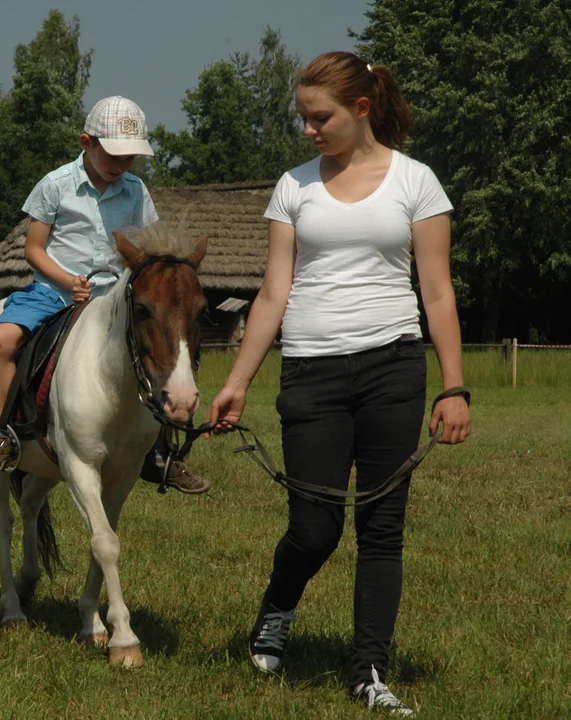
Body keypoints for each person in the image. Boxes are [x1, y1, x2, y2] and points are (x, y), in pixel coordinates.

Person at [206, 52, 472, 715]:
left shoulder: (415, 182)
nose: (308, 131)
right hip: (311, 371)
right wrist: (238, 381)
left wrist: (453, 386)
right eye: (301, 118)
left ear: (360, 109)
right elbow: (273, 291)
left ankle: (368, 672)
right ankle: (277, 608)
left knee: (381, 528)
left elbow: (436, 293)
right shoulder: (292, 187)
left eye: (318, 117)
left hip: (392, 367)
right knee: (314, 528)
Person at [0, 95, 208, 494]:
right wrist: (67, 281)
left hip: (116, 300)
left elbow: (148, 251)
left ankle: (161, 451)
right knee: (5, 338)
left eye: (130, 158)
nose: (121, 166)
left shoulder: (136, 191)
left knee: (162, 348)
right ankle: (1, 434)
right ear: (86, 143)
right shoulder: (55, 185)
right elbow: (33, 250)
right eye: (114, 156)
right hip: (55, 294)